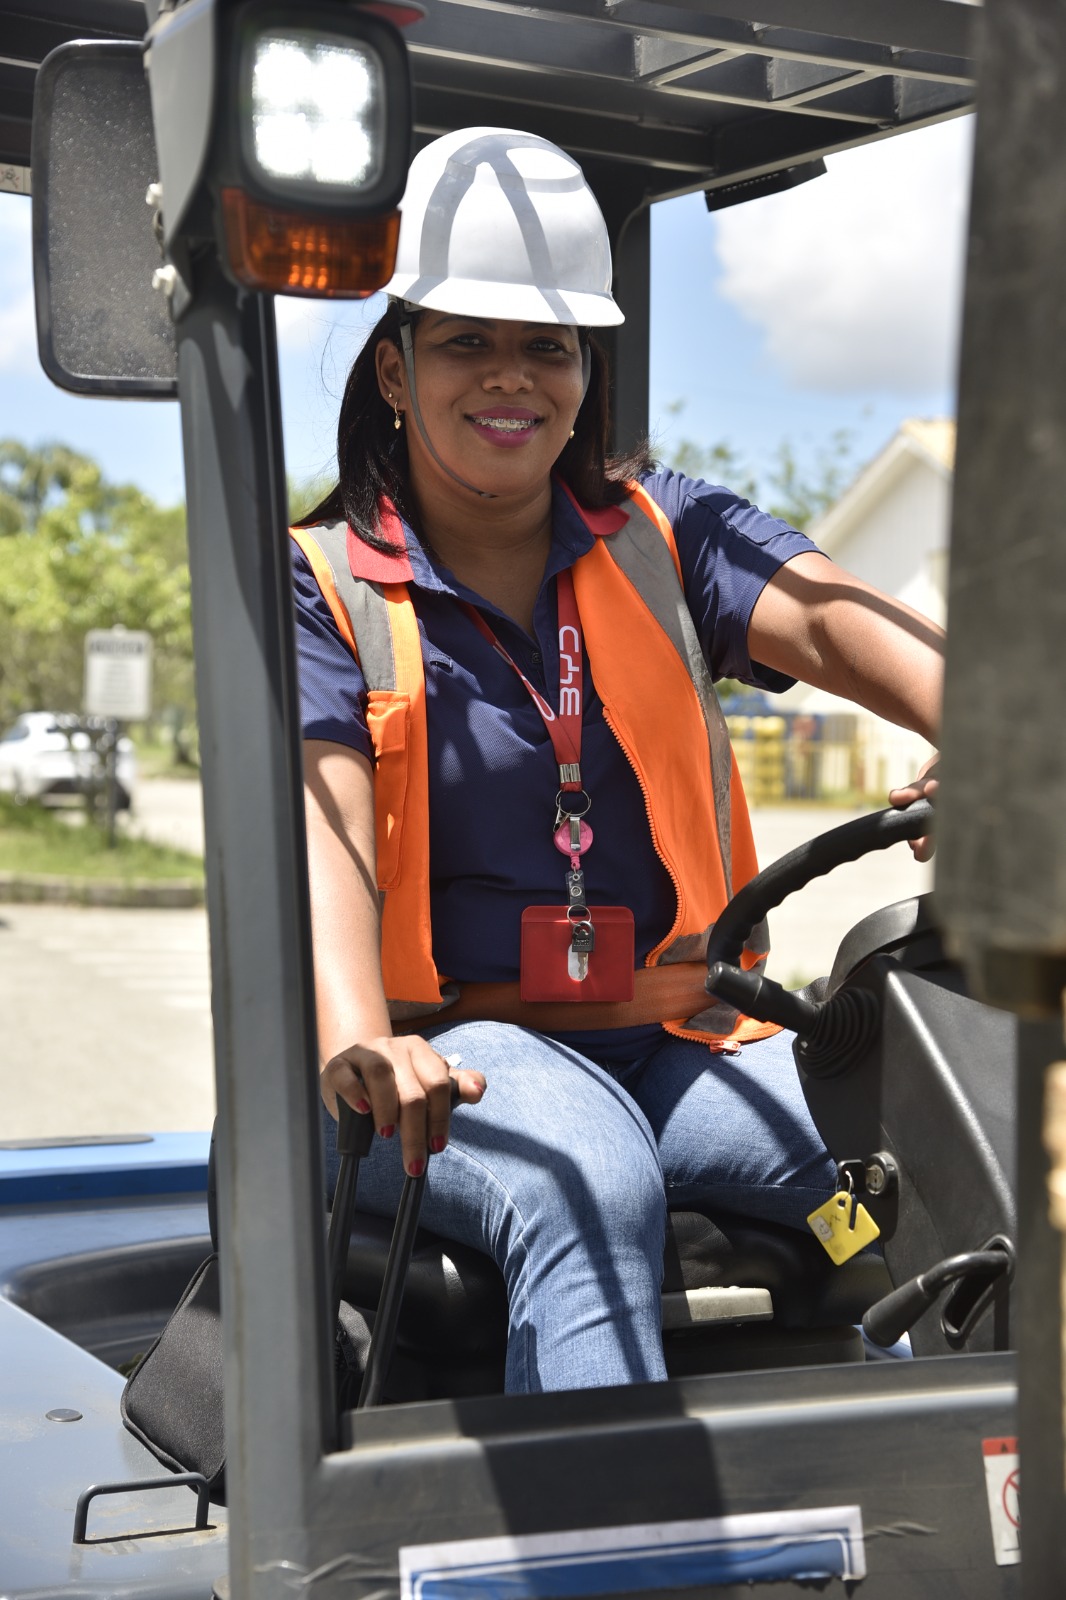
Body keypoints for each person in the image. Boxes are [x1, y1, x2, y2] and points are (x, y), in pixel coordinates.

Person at [290, 127, 943, 1395]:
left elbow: (828, 621)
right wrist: (360, 1039)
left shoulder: (662, 532)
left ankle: (945, 1488)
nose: (510, 378)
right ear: (392, 367)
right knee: (587, 1177)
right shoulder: (323, 588)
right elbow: (324, 831)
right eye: (466, 339)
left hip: (672, 1050)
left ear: (587, 369)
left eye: (548, 346)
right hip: (441, 1062)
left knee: (903, 1166)